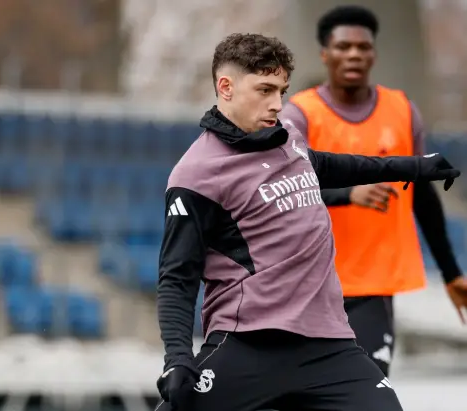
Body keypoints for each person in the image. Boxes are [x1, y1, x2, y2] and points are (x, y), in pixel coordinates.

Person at [155, 32, 459, 411]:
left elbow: (330, 165)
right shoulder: (196, 175)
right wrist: (177, 358)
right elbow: (177, 278)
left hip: (328, 346)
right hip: (249, 342)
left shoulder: (287, 138)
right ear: (226, 87)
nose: (277, 104)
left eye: (282, 91)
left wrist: (412, 166)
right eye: (265, 90)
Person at [280, 5, 467, 378]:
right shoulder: (299, 115)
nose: (354, 54)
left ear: (374, 54)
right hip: (311, 282)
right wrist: (348, 195)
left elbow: (422, 195)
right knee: (312, 393)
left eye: (362, 47)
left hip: (373, 286)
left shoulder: (401, 111)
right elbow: (283, 192)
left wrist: (450, 272)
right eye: (343, 46)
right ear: (325, 54)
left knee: (369, 387)